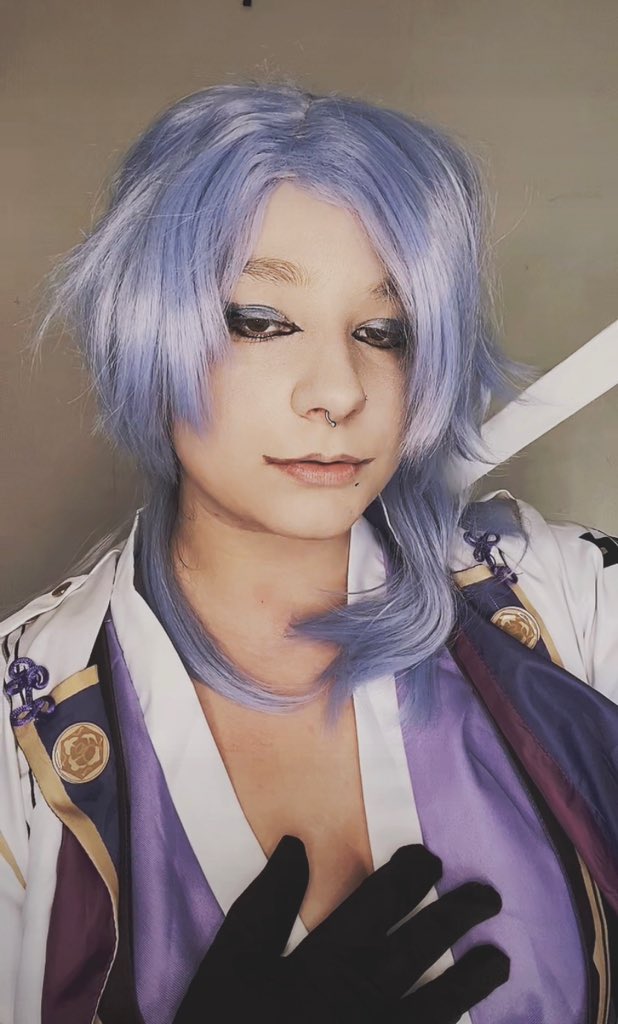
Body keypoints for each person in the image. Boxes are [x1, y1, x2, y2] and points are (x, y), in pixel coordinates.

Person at [1, 81, 617, 1024]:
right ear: (146, 327)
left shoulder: (556, 598)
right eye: (262, 321)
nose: (339, 390)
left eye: (384, 332)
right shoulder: (20, 745)